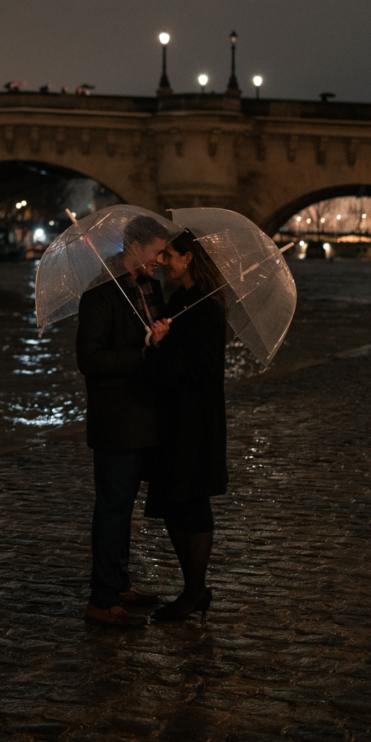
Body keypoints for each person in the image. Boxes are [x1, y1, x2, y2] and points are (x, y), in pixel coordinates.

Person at [75, 214, 170, 628]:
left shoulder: (149, 289)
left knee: (124, 506)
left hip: (143, 415)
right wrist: (143, 354)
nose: (161, 260)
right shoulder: (100, 295)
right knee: (112, 508)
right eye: (157, 252)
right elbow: (90, 360)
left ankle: (119, 582)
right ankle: (102, 598)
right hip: (116, 419)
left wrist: (161, 336)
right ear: (135, 248)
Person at [144, 228, 228, 624]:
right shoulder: (179, 300)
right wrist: (158, 342)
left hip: (196, 421)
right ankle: (193, 588)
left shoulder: (208, 307)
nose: (162, 262)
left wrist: (163, 348)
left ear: (189, 258)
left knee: (193, 503)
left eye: (169, 255)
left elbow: (203, 369)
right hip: (174, 417)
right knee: (174, 502)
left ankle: (194, 591)